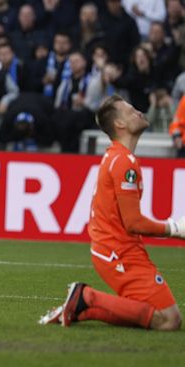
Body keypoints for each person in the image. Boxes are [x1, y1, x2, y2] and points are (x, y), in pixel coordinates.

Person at [39, 94, 185, 330]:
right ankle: (86, 297)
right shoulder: (124, 162)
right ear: (120, 124)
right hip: (120, 252)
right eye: (130, 111)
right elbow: (134, 222)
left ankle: (80, 308)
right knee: (169, 320)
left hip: (112, 250)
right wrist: (176, 228)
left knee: (161, 316)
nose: (138, 112)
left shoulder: (116, 156)